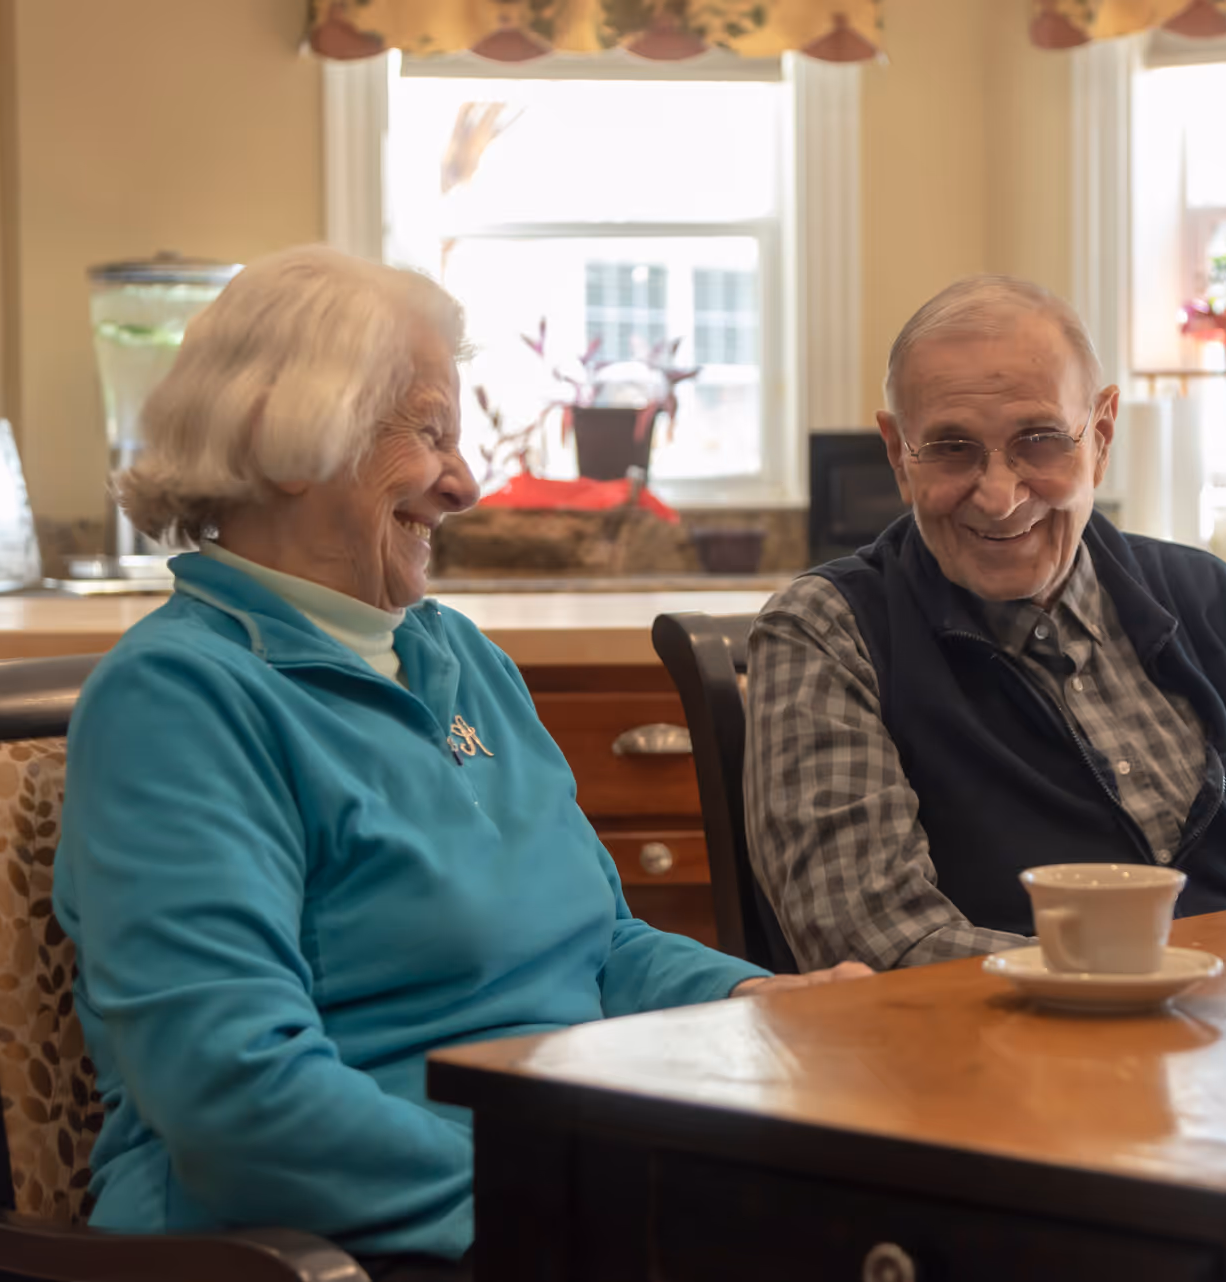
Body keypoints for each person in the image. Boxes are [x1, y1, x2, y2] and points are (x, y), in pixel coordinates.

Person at [52, 246, 866, 1277]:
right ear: (288, 438)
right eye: (428, 432)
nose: (466, 480)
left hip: (550, 1187)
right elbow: (236, 1097)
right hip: (326, 1243)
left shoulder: (456, 654)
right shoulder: (181, 699)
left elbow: (599, 946)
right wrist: (556, 1192)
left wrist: (759, 1003)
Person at [744, 275, 1226, 972]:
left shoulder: (1216, 601)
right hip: (996, 1065)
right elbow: (878, 946)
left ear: (1101, 435)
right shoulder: (830, 633)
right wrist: (1162, 988)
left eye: (1040, 440)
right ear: (899, 453)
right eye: (952, 447)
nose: (999, 496)